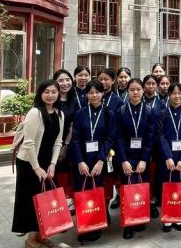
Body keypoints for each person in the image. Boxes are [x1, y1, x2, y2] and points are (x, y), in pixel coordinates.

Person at [12, 80, 64, 248]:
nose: (50, 95)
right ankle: (31, 239)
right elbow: (28, 143)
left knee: (46, 200)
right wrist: (36, 168)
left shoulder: (60, 114)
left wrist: (53, 164)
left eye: (54, 92)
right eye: (46, 92)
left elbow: (58, 141)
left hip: (47, 163)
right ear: (40, 94)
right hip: (29, 163)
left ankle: (42, 235)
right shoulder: (35, 113)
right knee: (31, 201)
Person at [70, 80, 116, 242]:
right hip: (83, 160)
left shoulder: (109, 113)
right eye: (91, 92)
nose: (94, 95)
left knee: (99, 191)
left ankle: (98, 223)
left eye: (97, 92)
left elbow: (110, 138)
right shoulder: (80, 113)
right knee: (83, 192)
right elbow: (75, 139)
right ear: (86, 95)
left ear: (103, 94)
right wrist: (80, 161)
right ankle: (85, 222)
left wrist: (101, 160)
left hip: (100, 160)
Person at [114, 78, 155, 240]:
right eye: (132, 90)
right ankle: (128, 224)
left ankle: (139, 217)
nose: (135, 92)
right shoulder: (121, 111)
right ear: (128, 92)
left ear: (143, 90)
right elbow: (118, 138)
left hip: (143, 157)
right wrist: (123, 160)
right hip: (127, 156)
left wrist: (145, 159)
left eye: (138, 89)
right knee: (127, 189)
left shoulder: (149, 111)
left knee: (141, 188)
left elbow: (150, 137)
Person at [157, 82, 181, 232]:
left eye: (179, 93)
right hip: (167, 158)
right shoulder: (162, 113)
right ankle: (167, 218)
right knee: (167, 187)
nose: (177, 96)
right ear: (169, 95)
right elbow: (161, 136)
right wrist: (168, 157)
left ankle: (179, 217)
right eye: (174, 93)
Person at [52, 70, 77, 212]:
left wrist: (66, 145)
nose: (65, 83)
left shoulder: (75, 100)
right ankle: (58, 204)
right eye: (61, 80)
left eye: (67, 79)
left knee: (69, 171)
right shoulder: (51, 99)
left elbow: (74, 125)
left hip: (70, 143)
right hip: (52, 143)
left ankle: (70, 200)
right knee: (56, 173)